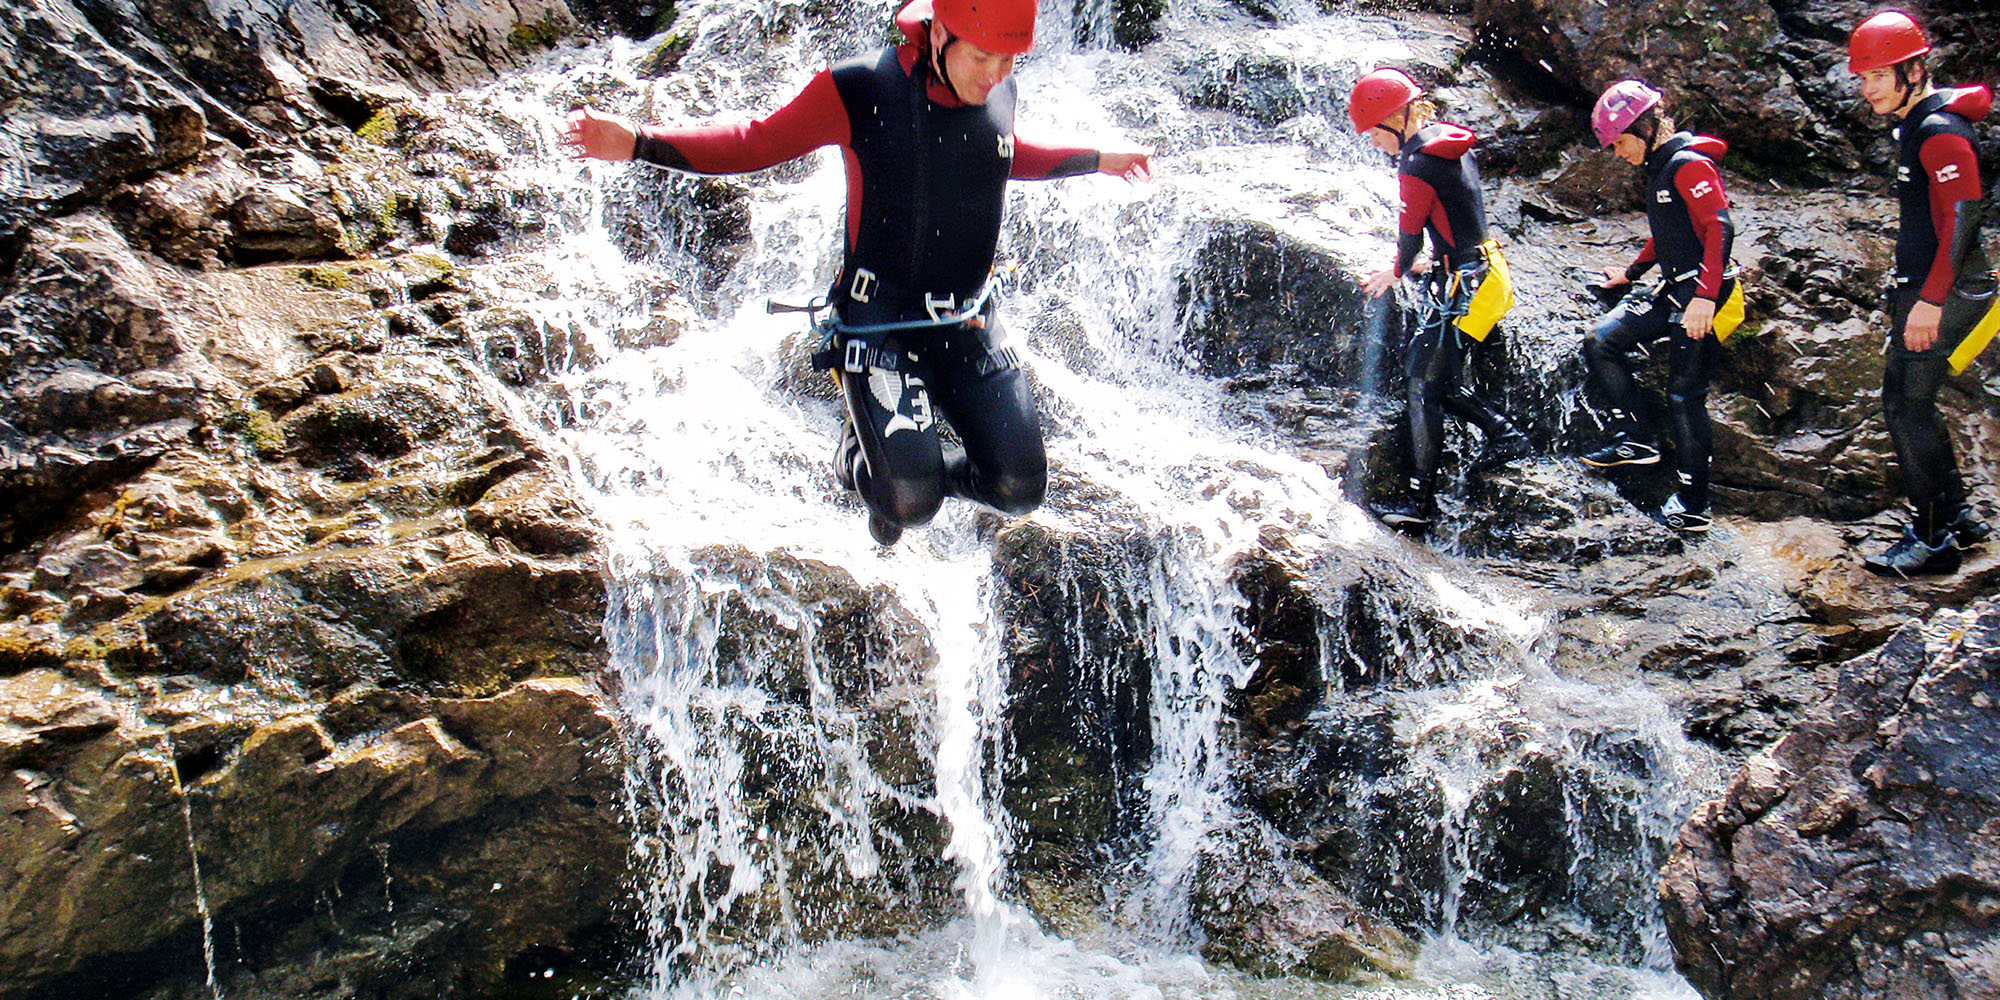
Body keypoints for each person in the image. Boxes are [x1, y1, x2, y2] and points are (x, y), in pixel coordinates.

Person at [562, 0, 1152, 545]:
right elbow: (755, 142)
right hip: (881, 323)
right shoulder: (862, 88)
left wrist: (1098, 159)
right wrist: (638, 141)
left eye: (1008, 60)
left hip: (967, 318)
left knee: (1018, 487)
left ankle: (905, 463)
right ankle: (864, 459)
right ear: (938, 34)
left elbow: (1001, 149)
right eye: (982, 57)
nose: (995, 75)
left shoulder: (998, 88)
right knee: (910, 501)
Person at [1350, 68, 1530, 534]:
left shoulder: (1416, 163)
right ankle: (1506, 435)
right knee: (1435, 378)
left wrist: (1395, 270)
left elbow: (1410, 233)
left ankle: (1420, 505)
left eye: (1373, 131)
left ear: (1395, 118)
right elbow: (1456, 214)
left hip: (1466, 285)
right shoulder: (1446, 142)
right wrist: (1432, 260)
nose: (1373, 141)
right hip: (1482, 271)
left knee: (1421, 384)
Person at [1848, 9, 1995, 577]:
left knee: (1904, 407)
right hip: (1933, 285)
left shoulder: (1940, 132)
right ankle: (1957, 516)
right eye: (1863, 77)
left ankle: (1933, 540)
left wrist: (1931, 302)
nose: (1868, 88)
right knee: (1913, 403)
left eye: (1879, 75)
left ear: (1913, 71)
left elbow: (1964, 218)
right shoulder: (1919, 124)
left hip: (1948, 290)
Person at [1577, 80, 1739, 534]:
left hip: (1704, 293)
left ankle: (1694, 505)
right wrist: (1632, 273)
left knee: (1685, 396)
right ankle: (1638, 439)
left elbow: (1720, 228)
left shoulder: (1689, 165)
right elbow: (1667, 231)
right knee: (1600, 341)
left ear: (1645, 128)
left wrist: (1705, 298)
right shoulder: (1662, 168)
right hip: (1674, 289)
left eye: (1620, 143)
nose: (1617, 153)